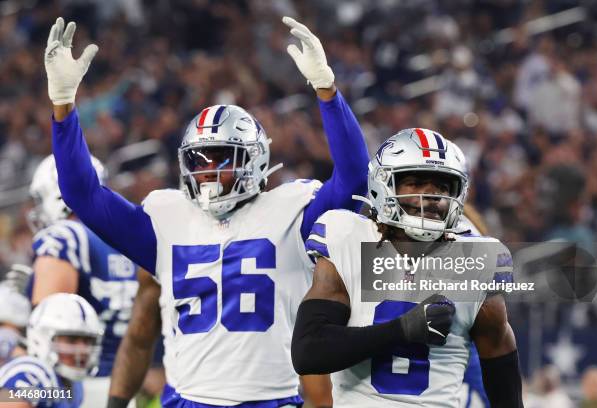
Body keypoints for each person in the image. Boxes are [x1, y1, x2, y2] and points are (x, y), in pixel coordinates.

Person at [45, 15, 372, 407]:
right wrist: (63, 106)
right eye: (199, 160)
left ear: (255, 161)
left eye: (222, 158)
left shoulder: (290, 211)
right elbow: (82, 194)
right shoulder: (167, 219)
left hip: (271, 400)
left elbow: (353, 176)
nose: (209, 170)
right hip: (188, 400)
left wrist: (327, 91)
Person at [294, 128, 523, 407]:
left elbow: (502, 373)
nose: (431, 195)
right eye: (415, 183)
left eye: (442, 186)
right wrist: (401, 330)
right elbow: (308, 351)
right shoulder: (348, 237)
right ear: (383, 186)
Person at [28, 155, 139, 407]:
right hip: (122, 387)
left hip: (73, 387)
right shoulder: (125, 239)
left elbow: (45, 329)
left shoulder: (65, 237)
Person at [0, 293, 103, 408]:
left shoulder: (73, 383)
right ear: (41, 339)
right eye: (71, 340)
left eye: (87, 341)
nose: (83, 350)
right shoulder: (32, 373)